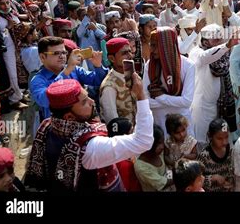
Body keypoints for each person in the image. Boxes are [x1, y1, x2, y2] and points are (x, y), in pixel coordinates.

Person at [24, 76, 154, 191]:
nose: (92, 101)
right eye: (84, 101)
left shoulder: (47, 125)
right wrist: (141, 96)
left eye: (88, 97)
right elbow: (143, 141)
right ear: (69, 117)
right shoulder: (89, 146)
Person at [30, 36, 108, 120]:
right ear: (42, 57)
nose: (62, 56)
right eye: (56, 53)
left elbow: (98, 81)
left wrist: (98, 65)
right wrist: (66, 71)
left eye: (64, 52)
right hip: (58, 127)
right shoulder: (37, 80)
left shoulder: (74, 69)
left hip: (83, 121)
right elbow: (45, 100)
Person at [190, 24, 240, 143]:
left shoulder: (222, 55)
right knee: (202, 140)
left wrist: (229, 93)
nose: (220, 42)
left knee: (220, 140)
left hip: (220, 106)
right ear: (205, 41)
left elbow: (224, 76)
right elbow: (207, 56)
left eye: (221, 39)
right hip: (203, 107)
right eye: (216, 39)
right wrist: (226, 45)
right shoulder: (197, 53)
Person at [143, 27, 196, 136]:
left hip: (182, 126)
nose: (151, 50)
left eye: (154, 46)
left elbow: (187, 101)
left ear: (166, 46)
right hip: (160, 123)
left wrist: (159, 97)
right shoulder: (150, 65)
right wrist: (175, 102)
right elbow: (147, 101)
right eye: (150, 45)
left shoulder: (188, 65)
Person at [99, 38, 137, 124]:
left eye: (130, 51)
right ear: (112, 58)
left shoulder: (131, 74)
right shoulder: (109, 86)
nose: (130, 56)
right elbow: (112, 120)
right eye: (124, 53)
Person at [197, 118, 234, 192]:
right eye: (219, 138)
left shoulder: (230, 150)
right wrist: (212, 178)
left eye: (226, 137)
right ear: (210, 136)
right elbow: (196, 180)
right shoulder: (204, 156)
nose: (224, 142)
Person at [134, 124, 174, 192]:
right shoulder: (141, 167)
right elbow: (162, 184)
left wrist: (172, 171)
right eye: (158, 143)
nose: (162, 146)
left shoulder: (158, 152)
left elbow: (167, 168)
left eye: (162, 142)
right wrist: (180, 175)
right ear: (147, 144)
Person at [106, 117, 142, 192]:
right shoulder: (123, 164)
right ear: (123, 136)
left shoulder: (114, 154)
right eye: (131, 132)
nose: (134, 135)